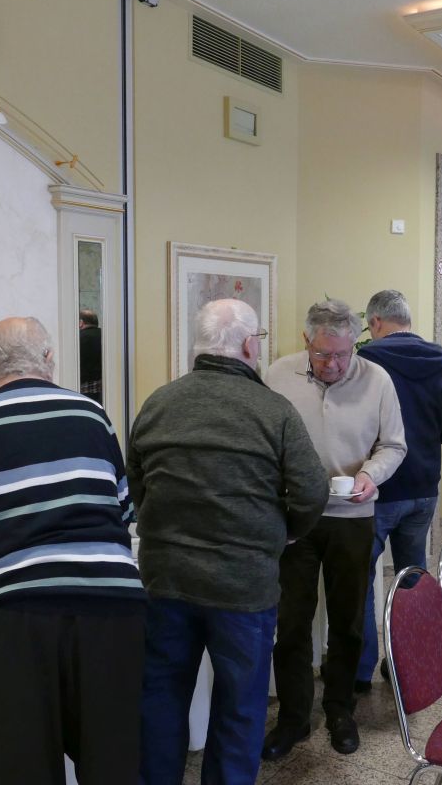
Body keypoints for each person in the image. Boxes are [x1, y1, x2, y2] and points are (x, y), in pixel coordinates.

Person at [0, 317, 145, 785]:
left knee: (20, 769)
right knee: (113, 762)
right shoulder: (93, 415)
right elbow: (124, 512)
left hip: (10, 619)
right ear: (48, 359)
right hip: (109, 607)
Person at [127, 299, 329, 785]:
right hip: (243, 584)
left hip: (166, 578)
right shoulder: (273, 411)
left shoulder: (157, 404)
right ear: (248, 346)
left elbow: (136, 485)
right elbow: (312, 492)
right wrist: (286, 531)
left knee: (160, 697)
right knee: (240, 706)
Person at [262, 299, 406, 759]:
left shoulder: (376, 379)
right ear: (306, 341)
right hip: (295, 517)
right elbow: (263, 441)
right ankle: (293, 718)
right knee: (292, 621)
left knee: (347, 619)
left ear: (354, 344)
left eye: (343, 354)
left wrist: (370, 475)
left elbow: (394, 445)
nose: (334, 364)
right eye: (323, 354)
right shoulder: (277, 375)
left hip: (353, 516)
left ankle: (341, 709)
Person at [354, 289, 442, 690]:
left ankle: (360, 670)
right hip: (424, 487)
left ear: (376, 322)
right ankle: (405, 665)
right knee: (411, 578)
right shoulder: (441, 362)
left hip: (378, 487)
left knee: (360, 578)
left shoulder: (366, 362)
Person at [79, 308, 103, 403]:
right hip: (102, 387)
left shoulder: (78, 338)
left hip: (83, 387)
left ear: (81, 323)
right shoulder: (105, 335)